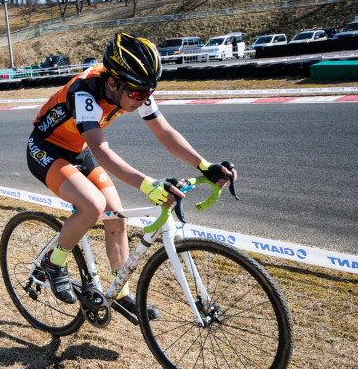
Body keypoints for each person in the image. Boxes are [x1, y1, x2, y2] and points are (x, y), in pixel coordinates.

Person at [26, 33, 236, 319]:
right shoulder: (84, 92)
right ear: (113, 83)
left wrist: (204, 166)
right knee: (93, 206)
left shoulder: (134, 87)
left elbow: (165, 132)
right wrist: (148, 185)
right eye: (138, 93)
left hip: (77, 147)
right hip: (46, 147)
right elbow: (102, 150)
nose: (144, 99)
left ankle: (120, 292)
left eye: (149, 92)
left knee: (116, 216)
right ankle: (54, 261)